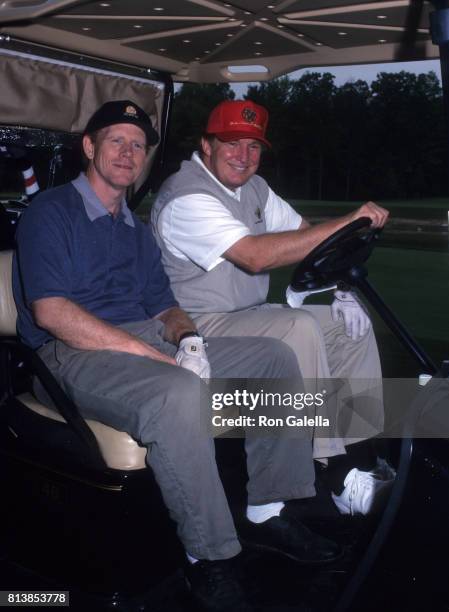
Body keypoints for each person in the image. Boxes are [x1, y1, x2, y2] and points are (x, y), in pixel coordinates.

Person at [12, 100, 342, 612]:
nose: (127, 152)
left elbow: (165, 306)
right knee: (179, 390)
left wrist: (187, 340)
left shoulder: (134, 229)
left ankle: (268, 509)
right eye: (116, 140)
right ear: (89, 146)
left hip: (140, 338)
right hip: (67, 354)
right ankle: (207, 557)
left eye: (137, 145)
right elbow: (53, 313)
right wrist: (151, 353)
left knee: (274, 357)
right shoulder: (51, 212)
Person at [151, 99, 391, 515]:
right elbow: (254, 256)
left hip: (246, 316)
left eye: (254, 147)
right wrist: (351, 219)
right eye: (231, 143)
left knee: (349, 325)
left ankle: (358, 457)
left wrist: (338, 285)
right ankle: (331, 471)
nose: (244, 157)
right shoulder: (185, 195)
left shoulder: (254, 189)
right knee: (297, 327)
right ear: (206, 145)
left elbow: (303, 234)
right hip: (195, 327)